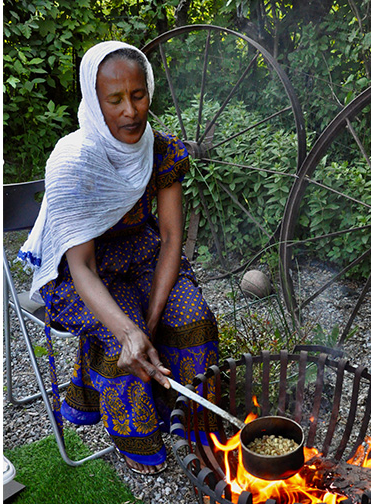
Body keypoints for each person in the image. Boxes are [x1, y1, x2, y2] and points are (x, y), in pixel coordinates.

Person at [17, 41, 220, 475]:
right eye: (115, 100)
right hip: (81, 274)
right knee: (119, 338)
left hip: (142, 254)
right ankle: (138, 439)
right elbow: (81, 266)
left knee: (193, 315)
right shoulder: (74, 161)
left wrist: (149, 320)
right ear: (94, 102)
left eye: (139, 95)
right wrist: (128, 329)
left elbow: (170, 238)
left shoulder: (161, 151)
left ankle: (188, 421)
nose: (130, 111)